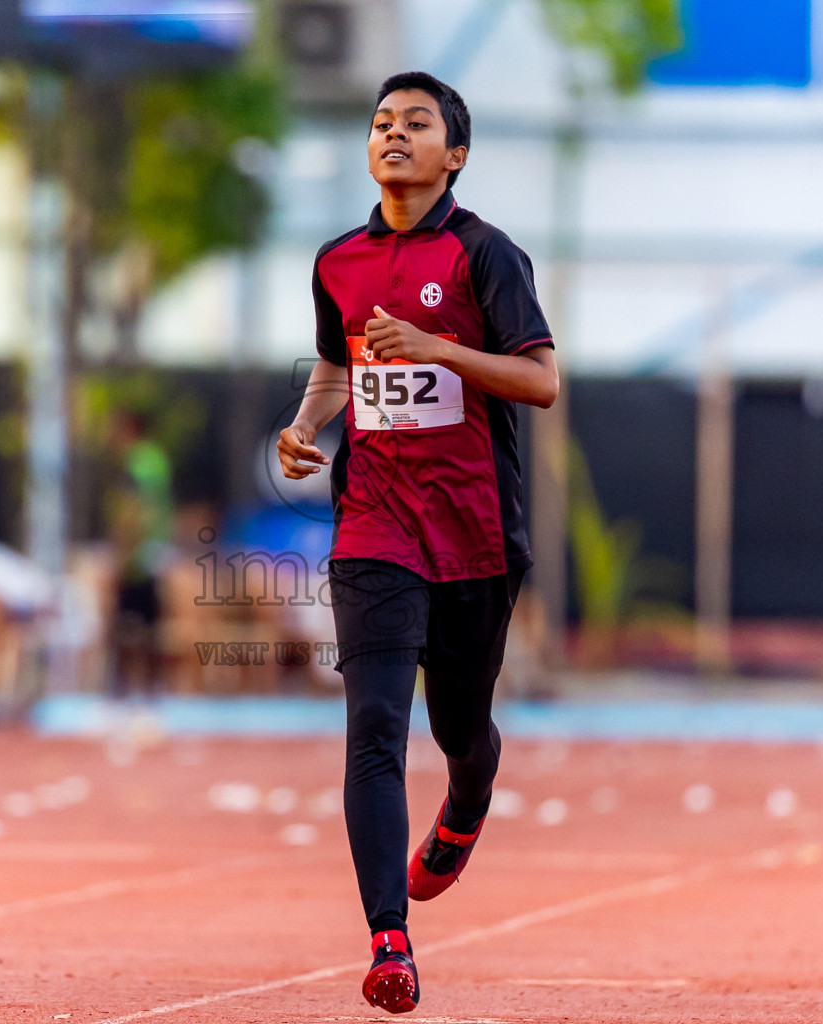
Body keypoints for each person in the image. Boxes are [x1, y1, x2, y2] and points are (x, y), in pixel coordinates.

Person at [276, 72, 559, 1014]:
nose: (393, 134)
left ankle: (470, 799)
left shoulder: (488, 257)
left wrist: (441, 350)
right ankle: (389, 939)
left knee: (458, 730)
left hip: (474, 534)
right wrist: (307, 427)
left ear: (455, 155)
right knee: (375, 731)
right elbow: (335, 360)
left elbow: (542, 382)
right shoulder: (337, 261)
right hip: (374, 529)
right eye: (380, 123)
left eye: (416, 124)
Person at [106, 409, 173, 698]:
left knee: (121, 626)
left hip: (136, 555)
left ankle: (120, 691)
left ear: (129, 429)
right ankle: (151, 691)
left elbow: (133, 510)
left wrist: (121, 552)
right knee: (152, 626)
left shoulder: (136, 461)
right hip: (154, 551)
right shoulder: (156, 459)